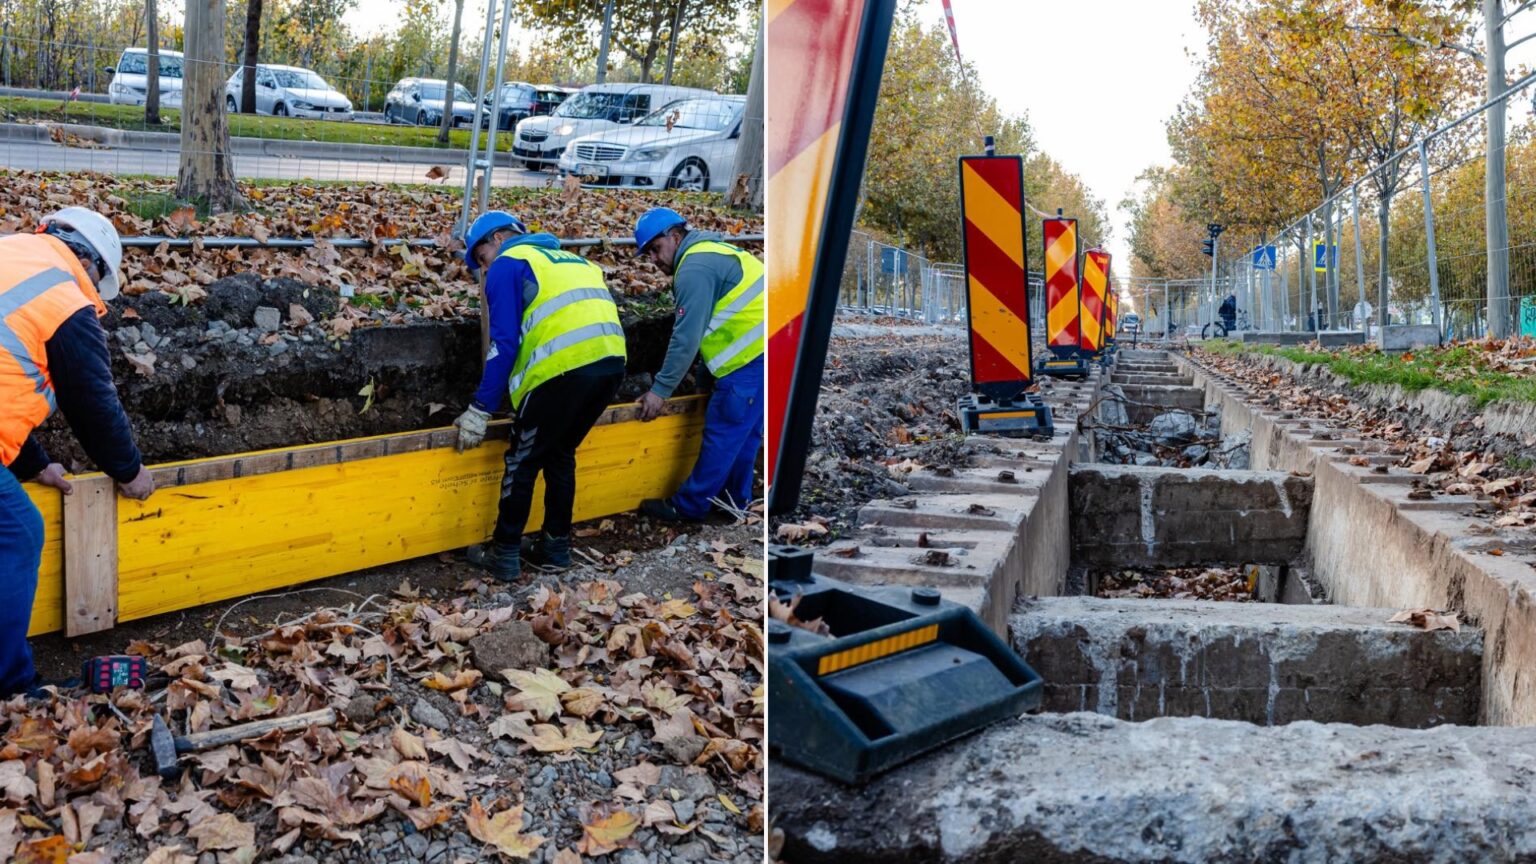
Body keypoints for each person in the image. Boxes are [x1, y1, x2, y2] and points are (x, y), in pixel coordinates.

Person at [1, 207, 155, 697]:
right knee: (19, 531)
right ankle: (11, 685)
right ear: (92, 267)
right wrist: (128, 471)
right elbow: (92, 401)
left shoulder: (12, 254)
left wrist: (34, 463)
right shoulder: (63, 297)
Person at [453, 211, 626, 582]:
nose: (484, 270)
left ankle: (504, 555)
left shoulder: (508, 263)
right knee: (561, 455)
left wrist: (480, 408)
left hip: (562, 372)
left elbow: (504, 345)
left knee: (522, 460)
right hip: (610, 365)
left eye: (481, 259)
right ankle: (555, 549)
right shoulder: (574, 260)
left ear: (499, 238)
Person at [631, 208, 764, 523]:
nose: (653, 259)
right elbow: (717, 324)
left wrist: (660, 391)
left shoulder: (693, 268)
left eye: (655, 249)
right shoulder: (713, 252)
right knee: (744, 435)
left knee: (724, 431)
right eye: (647, 253)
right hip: (765, 353)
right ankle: (732, 504)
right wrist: (704, 379)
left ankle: (688, 507)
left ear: (675, 237)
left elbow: (687, 337)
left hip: (749, 363)